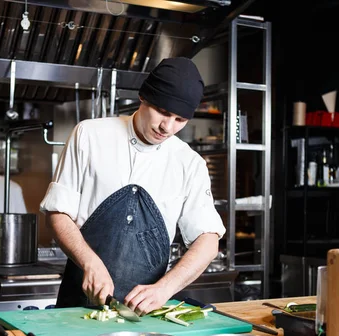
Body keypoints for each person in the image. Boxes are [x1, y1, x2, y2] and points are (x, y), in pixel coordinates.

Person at [39, 57, 226, 315]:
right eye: (162, 112)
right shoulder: (89, 135)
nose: (167, 127)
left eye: (180, 119)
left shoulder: (189, 162)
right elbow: (57, 213)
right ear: (143, 98)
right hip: (77, 302)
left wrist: (165, 289)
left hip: (146, 312)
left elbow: (208, 239)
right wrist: (90, 262)